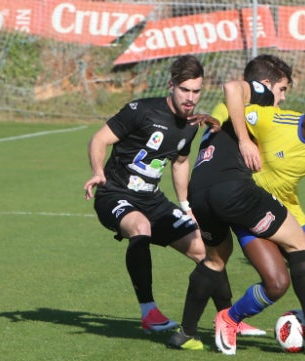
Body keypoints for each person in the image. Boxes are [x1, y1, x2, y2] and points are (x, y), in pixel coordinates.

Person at [167, 90, 305, 355]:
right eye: (282, 88)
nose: (281, 96)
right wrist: (246, 141)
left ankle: (187, 333)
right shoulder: (257, 104)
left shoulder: (225, 119)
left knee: (218, 261)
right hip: (235, 191)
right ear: (265, 82)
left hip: (200, 192)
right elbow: (234, 88)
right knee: (299, 242)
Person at [82, 55, 262, 336]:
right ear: (171, 86)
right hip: (114, 194)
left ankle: (229, 319)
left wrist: (185, 204)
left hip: (153, 200)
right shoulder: (139, 110)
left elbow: (179, 162)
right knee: (140, 227)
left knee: (206, 250)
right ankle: (148, 312)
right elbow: (99, 139)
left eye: (196, 91)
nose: (191, 97)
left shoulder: (192, 124)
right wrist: (97, 171)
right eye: (185, 90)